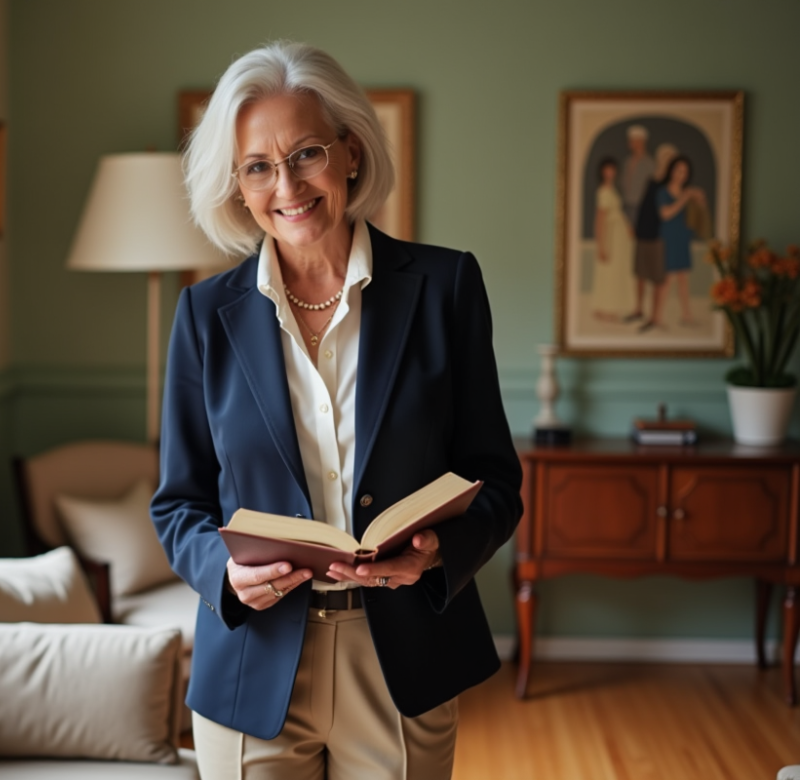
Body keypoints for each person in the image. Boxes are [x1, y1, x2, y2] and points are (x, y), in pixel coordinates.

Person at [150, 42, 522, 779]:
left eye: (307, 153)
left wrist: (440, 553)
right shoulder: (202, 314)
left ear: (351, 152)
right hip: (251, 661)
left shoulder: (446, 288)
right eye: (257, 166)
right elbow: (178, 504)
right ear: (237, 184)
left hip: (402, 660)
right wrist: (224, 573)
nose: (286, 184)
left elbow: (495, 479)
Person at [627, 142, 678, 331]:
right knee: (640, 273)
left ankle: (654, 316)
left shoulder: (671, 185)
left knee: (657, 278)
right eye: (664, 158)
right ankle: (639, 309)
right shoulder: (651, 180)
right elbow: (644, 206)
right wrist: (636, 227)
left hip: (659, 236)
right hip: (643, 232)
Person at [656, 155, 705, 326]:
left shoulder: (688, 192)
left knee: (683, 279)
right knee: (667, 279)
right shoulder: (663, 192)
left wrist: (698, 198)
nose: (681, 174)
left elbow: (700, 214)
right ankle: (659, 317)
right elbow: (665, 214)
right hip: (668, 239)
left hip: (683, 238)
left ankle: (686, 315)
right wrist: (684, 198)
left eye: (684, 171)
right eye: (678, 170)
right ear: (672, 171)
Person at [590, 157, 634, 321]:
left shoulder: (613, 190)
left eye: (612, 169)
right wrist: (601, 244)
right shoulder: (603, 192)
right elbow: (600, 218)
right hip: (610, 236)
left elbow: (618, 212)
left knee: (616, 272)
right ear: (602, 172)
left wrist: (627, 226)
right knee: (608, 271)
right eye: (607, 169)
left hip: (619, 236)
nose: (610, 173)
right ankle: (604, 308)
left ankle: (609, 307)